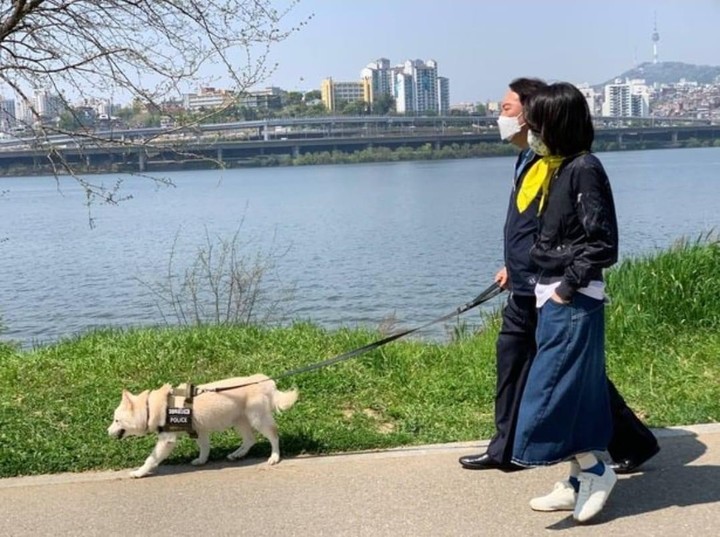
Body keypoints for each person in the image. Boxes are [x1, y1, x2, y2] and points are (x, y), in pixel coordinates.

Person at [459, 78, 659, 477]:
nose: (502, 116)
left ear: (537, 115)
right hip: (526, 282)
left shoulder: (564, 164)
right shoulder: (529, 161)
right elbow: (532, 228)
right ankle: (508, 449)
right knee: (518, 361)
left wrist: (562, 288)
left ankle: (610, 452)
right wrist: (511, 267)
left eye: (507, 108)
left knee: (565, 372)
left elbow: (585, 237)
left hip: (548, 288)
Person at [508, 81, 628, 522]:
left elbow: (603, 243)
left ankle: (596, 469)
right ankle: (579, 477)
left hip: (571, 297)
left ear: (555, 124)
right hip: (552, 293)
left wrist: (565, 287)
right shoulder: (555, 167)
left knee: (548, 393)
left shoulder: (583, 169)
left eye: (535, 122)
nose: (529, 129)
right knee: (580, 394)